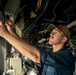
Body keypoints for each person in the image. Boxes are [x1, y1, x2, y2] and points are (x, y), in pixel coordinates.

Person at [0, 20, 75, 75]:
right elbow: (29, 47)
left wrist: (5, 34)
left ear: (64, 39)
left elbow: (35, 56)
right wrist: (11, 31)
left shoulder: (67, 58)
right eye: (52, 31)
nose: (51, 33)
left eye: (56, 32)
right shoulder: (50, 51)